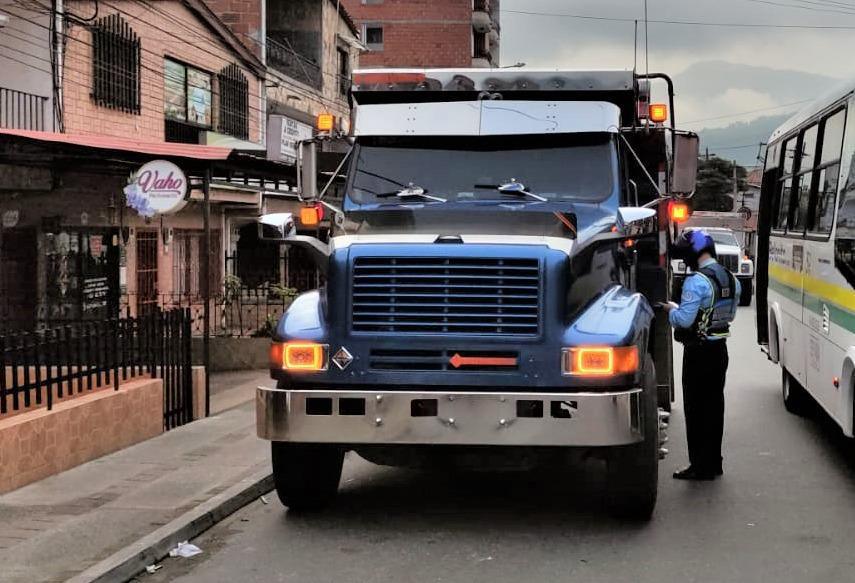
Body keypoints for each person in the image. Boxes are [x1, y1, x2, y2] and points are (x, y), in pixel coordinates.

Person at [662, 229, 740, 481]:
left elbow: (684, 320)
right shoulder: (731, 278)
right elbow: (730, 314)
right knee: (715, 408)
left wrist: (670, 310)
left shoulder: (696, 281)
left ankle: (699, 466)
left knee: (695, 410)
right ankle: (714, 462)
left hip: (698, 352)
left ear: (693, 254)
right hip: (720, 350)